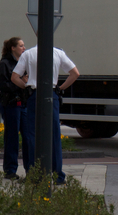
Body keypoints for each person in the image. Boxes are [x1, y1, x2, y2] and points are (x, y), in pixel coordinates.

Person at [12, 45, 80, 185]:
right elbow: (75, 73)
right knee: (54, 134)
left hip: (34, 95)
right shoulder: (58, 53)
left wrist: (26, 87)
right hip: (51, 93)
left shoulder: (28, 54)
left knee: (32, 135)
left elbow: (14, 77)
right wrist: (60, 89)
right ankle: (58, 175)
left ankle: (33, 174)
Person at [0, 37, 29, 181]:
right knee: (12, 138)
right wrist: (20, 82)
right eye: (21, 46)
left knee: (28, 138)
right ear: (13, 48)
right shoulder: (4, 64)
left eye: (23, 45)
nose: (24, 48)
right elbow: (4, 86)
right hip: (11, 104)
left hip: (23, 104)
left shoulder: (23, 63)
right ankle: (10, 170)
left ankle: (31, 168)